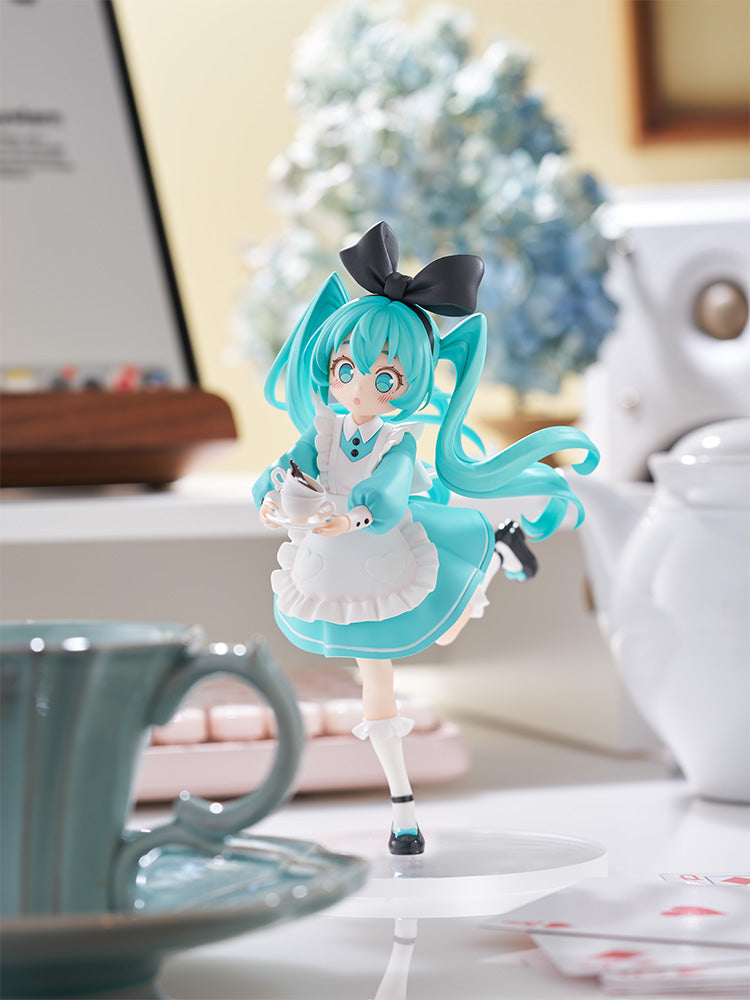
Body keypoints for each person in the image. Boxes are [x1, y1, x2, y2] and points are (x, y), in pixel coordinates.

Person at [253, 222, 598, 855]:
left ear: (408, 386)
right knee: (375, 680)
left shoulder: (397, 441)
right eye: (347, 368)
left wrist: (347, 520)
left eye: (384, 379)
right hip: (332, 566)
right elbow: (278, 474)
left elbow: (386, 497)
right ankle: (403, 809)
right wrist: (276, 503)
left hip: (384, 549)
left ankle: (496, 548)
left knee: (445, 631)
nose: (359, 387)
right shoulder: (322, 430)